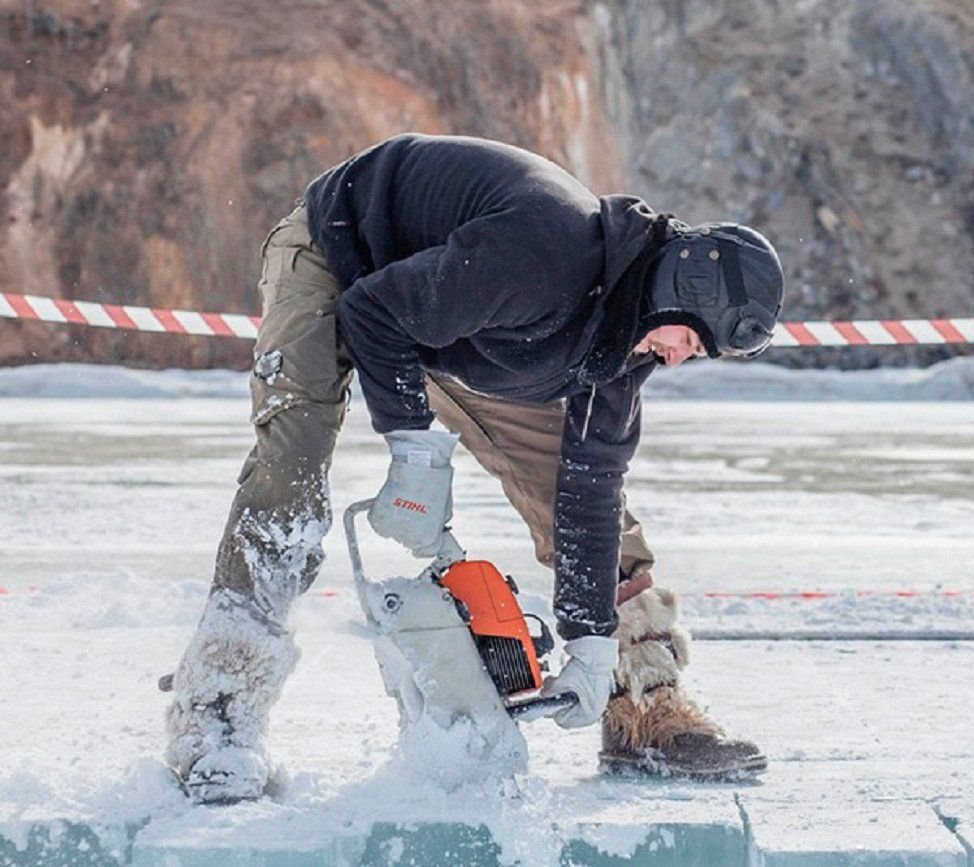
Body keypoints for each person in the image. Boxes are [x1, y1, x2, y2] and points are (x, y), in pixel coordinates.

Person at [161, 134, 785, 803]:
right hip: (341, 258)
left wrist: (591, 642)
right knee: (293, 463)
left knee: (579, 494)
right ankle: (218, 715)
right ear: (674, 288)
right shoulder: (547, 252)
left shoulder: (627, 344)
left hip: (450, 318)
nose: (678, 360)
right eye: (689, 339)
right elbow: (372, 311)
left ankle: (641, 702)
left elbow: (590, 485)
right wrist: (411, 447)